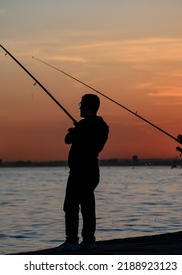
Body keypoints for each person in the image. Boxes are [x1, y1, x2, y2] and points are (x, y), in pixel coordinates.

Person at [57, 94, 109, 251]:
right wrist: (78, 129)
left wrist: (75, 130)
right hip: (92, 172)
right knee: (87, 206)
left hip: (80, 172)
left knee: (71, 205)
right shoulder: (102, 126)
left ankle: (72, 241)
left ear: (87, 106)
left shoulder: (84, 125)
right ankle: (89, 240)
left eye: (81, 104)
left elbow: (67, 139)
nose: (79, 107)